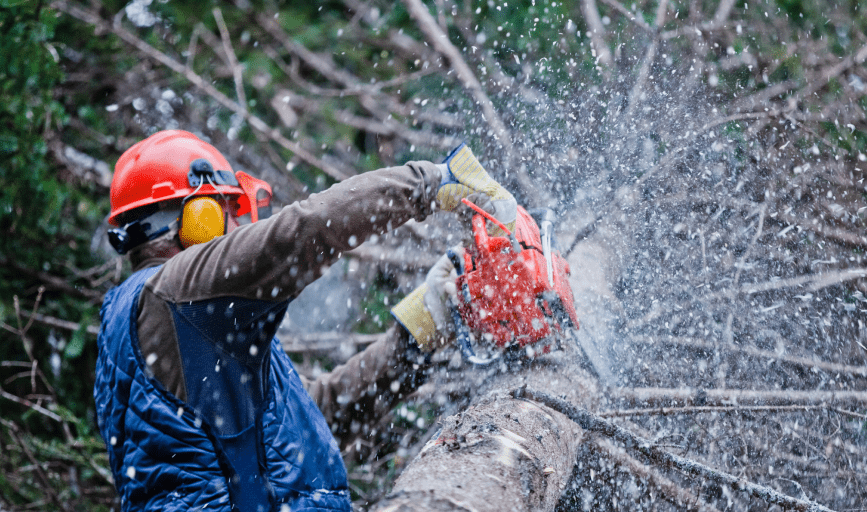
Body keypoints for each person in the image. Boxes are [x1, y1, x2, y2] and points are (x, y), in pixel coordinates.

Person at [94, 129, 515, 512]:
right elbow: (303, 230)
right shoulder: (179, 291)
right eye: (226, 209)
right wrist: (433, 182)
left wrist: (419, 330)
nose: (238, 225)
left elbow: (309, 422)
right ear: (196, 219)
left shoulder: (178, 320)